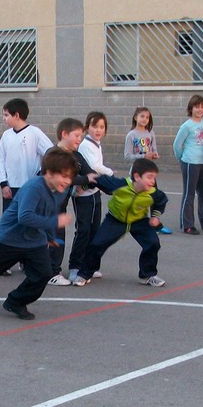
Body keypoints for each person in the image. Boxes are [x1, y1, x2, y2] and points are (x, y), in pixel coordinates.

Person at [0, 148, 78, 320]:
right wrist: (55, 223)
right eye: (63, 175)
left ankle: (15, 301)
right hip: (10, 240)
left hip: (34, 241)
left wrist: (49, 237)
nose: (67, 181)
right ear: (49, 172)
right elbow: (25, 217)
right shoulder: (34, 188)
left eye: (70, 177)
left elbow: (46, 214)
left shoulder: (59, 193)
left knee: (44, 274)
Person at [73, 158, 169, 288]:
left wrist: (155, 216)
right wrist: (83, 186)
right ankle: (85, 273)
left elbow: (161, 201)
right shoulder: (118, 184)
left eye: (154, 178)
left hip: (138, 220)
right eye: (150, 177)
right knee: (97, 244)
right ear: (136, 176)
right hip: (115, 220)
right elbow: (97, 180)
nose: (153, 181)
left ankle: (147, 275)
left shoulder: (152, 193)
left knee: (153, 243)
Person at [47, 118, 95, 287]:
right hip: (47, 204)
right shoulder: (53, 154)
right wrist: (83, 179)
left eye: (81, 136)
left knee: (58, 235)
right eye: (76, 135)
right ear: (64, 134)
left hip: (61, 204)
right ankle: (52, 272)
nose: (79, 140)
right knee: (53, 236)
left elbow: (91, 174)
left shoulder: (76, 155)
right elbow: (65, 176)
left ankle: (50, 268)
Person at [71, 111, 111, 282]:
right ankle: (75, 266)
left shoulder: (97, 144)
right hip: (83, 194)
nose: (98, 130)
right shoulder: (86, 145)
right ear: (87, 127)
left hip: (94, 192)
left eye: (102, 127)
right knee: (83, 230)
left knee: (94, 230)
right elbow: (94, 167)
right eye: (95, 126)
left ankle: (88, 266)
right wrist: (109, 173)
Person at [0, 98, 53, 215]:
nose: (3, 118)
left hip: (29, 187)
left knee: (28, 219)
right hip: (10, 188)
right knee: (10, 222)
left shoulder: (34, 133)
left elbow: (51, 154)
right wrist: (3, 184)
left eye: (6, 115)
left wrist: (40, 174)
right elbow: (0, 160)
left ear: (16, 115)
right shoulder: (6, 135)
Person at [125, 106, 172, 234]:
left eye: (147, 117)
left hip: (149, 173)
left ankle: (155, 223)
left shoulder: (150, 133)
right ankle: (134, 223)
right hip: (137, 174)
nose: (145, 119)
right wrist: (143, 156)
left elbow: (153, 148)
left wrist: (154, 154)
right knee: (138, 199)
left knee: (154, 197)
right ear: (135, 117)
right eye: (142, 116)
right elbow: (127, 155)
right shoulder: (131, 135)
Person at [172, 95, 203, 234]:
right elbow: (177, 144)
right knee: (189, 194)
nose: (200, 109)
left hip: (201, 162)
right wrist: (181, 158)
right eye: (197, 107)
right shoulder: (187, 125)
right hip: (190, 162)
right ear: (191, 108)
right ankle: (187, 224)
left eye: (202, 107)